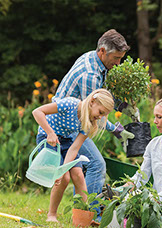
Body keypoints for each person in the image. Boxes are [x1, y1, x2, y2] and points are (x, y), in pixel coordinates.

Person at [52, 29, 135, 210]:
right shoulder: (89, 75)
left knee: (83, 167)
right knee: (96, 165)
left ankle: (80, 212)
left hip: (73, 120)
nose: (118, 63)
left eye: (121, 58)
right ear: (103, 51)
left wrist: (123, 107)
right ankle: (91, 213)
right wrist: (116, 130)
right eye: (116, 58)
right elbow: (93, 115)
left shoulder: (94, 59)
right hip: (65, 124)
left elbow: (102, 97)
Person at [32, 89, 114, 222]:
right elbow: (37, 112)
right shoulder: (70, 104)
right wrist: (50, 133)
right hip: (48, 138)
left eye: (103, 115)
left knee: (79, 175)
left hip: (66, 141)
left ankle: (82, 218)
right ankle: (51, 215)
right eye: (100, 112)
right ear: (92, 102)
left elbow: (74, 148)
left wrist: (63, 167)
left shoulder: (88, 123)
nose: (100, 117)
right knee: (64, 178)